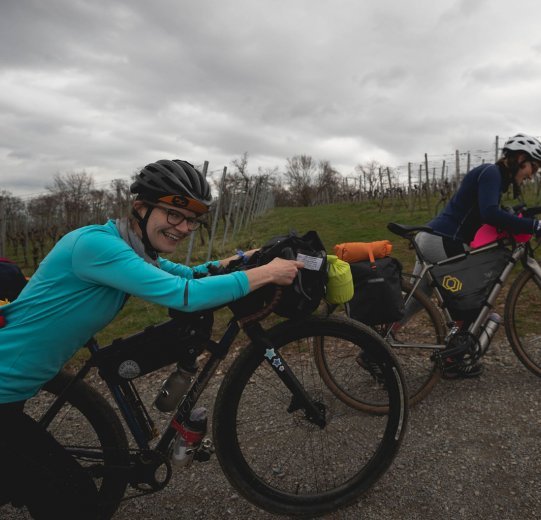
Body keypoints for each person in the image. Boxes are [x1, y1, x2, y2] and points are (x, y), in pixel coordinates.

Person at [0, 159, 303, 519]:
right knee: (75, 504)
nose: (184, 227)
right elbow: (184, 294)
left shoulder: (133, 250)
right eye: (174, 214)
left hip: (15, 389)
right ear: (141, 207)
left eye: (192, 219)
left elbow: (192, 273)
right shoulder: (96, 246)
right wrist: (267, 274)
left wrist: (245, 258)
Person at [409, 133, 541, 378]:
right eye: (532, 167)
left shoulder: (495, 178)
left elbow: (491, 210)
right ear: (521, 158)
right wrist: (533, 227)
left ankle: (373, 347)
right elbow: (489, 213)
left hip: (432, 238)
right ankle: (453, 358)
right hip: (443, 241)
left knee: (416, 301)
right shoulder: (491, 172)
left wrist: (524, 215)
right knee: (472, 298)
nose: (531, 175)